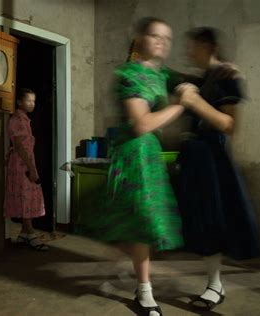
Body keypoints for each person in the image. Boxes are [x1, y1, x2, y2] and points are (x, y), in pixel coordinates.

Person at [76, 17, 185, 316]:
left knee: (146, 225)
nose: (162, 41)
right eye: (154, 35)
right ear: (140, 39)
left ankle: (133, 272)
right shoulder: (128, 74)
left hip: (150, 154)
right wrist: (180, 105)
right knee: (141, 225)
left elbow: (192, 81)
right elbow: (141, 124)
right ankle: (144, 293)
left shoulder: (162, 74)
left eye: (167, 37)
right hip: (133, 154)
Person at [175, 27, 260, 311]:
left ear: (207, 45)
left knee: (214, 222)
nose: (189, 52)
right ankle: (215, 282)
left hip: (213, 160)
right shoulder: (202, 78)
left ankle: (215, 285)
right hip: (195, 159)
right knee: (200, 223)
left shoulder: (227, 76)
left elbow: (229, 125)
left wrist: (195, 102)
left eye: (193, 46)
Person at [4, 88, 48, 251]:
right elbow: (20, 146)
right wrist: (31, 168)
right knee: (25, 196)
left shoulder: (25, 120)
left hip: (27, 161)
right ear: (19, 102)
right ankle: (30, 232)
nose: (32, 104)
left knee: (28, 195)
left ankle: (24, 232)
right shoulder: (17, 120)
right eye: (28, 100)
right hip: (21, 164)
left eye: (33, 101)